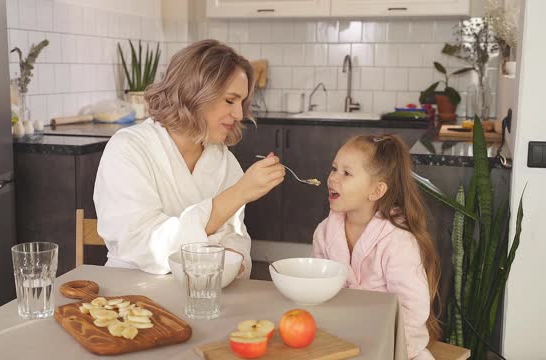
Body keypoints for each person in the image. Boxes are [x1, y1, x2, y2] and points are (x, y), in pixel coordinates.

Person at [93, 39, 285, 278]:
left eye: (242, 103)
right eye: (230, 100)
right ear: (194, 93)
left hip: (208, 291)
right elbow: (145, 245)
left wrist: (236, 263)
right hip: (132, 293)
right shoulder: (129, 149)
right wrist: (239, 193)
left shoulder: (223, 161)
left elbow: (235, 237)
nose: (238, 114)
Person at [311, 134, 440, 360]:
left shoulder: (398, 242)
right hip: (341, 339)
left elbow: (412, 311)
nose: (333, 178)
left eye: (346, 173)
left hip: (395, 346)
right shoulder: (324, 232)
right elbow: (317, 291)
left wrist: (386, 351)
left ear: (376, 191)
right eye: (334, 168)